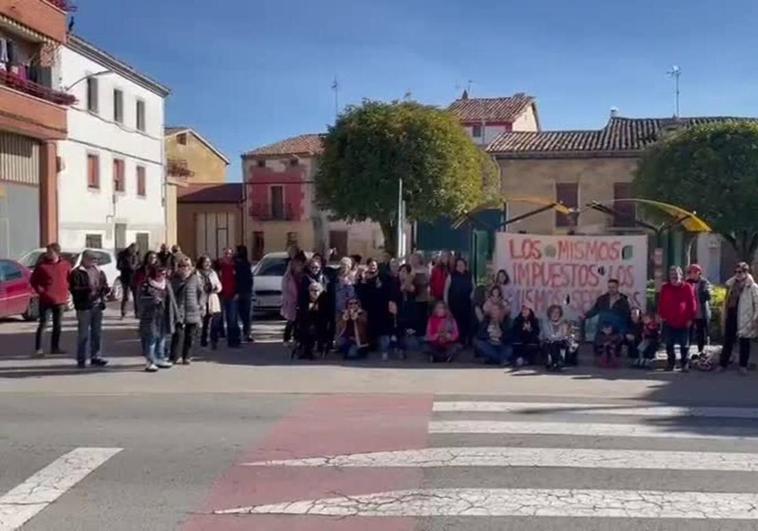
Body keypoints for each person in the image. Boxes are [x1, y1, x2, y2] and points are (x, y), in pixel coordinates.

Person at [69, 250, 109, 368]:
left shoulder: (99, 271)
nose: (94, 262)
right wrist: (88, 289)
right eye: (92, 259)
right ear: (85, 259)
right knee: (83, 334)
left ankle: (96, 357)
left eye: (96, 260)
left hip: (97, 305)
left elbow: (104, 284)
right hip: (84, 306)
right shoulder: (77, 272)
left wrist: (104, 290)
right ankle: (81, 359)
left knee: (97, 333)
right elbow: (74, 289)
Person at [30, 243, 71, 357]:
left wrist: (67, 292)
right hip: (46, 299)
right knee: (43, 324)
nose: (48, 254)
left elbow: (69, 279)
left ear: (57, 252)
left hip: (60, 300)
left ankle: (55, 347)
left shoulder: (65, 265)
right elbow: (33, 281)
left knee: (58, 325)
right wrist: (41, 291)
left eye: (50, 252)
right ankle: (38, 349)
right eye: (47, 252)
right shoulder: (42, 266)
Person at [718, 262, 758, 375]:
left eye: (740, 272)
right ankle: (722, 364)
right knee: (728, 341)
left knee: (744, 342)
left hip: (745, 317)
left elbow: (757, 304)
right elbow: (726, 300)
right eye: (735, 272)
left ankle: (743, 366)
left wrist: (755, 319)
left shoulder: (752, 287)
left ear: (746, 272)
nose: (737, 274)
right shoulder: (731, 284)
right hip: (731, 315)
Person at [138, 266, 178, 372]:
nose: (162, 276)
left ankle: (160, 359)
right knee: (151, 338)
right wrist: (152, 300)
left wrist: (176, 315)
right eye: (159, 274)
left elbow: (172, 299)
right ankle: (150, 362)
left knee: (162, 338)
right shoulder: (146, 284)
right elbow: (140, 300)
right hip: (150, 316)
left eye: (164, 274)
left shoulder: (167, 283)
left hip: (164, 314)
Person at [658, 266, 697, 372]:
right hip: (669, 321)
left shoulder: (687, 287)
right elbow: (661, 303)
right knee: (669, 344)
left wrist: (690, 318)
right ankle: (671, 363)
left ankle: (685, 364)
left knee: (684, 345)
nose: (674, 276)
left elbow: (692, 304)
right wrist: (662, 316)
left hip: (684, 321)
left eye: (676, 274)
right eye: (672, 274)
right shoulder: (665, 287)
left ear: (681, 275)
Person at [170, 256, 204, 365]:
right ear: (178, 267)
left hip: (192, 310)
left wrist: (200, 305)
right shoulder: (174, 280)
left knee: (190, 336)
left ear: (191, 267)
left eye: (187, 266)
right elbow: (171, 295)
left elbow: (201, 293)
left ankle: (187, 357)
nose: (184, 268)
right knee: (178, 334)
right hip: (178, 311)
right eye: (182, 266)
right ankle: (174, 356)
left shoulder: (195, 279)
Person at [356, 258, 388, 352]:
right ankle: (368, 345)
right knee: (368, 326)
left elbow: (384, 291)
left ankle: (376, 345)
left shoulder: (381, 277)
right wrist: (363, 282)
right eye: (370, 265)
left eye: (374, 265)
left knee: (377, 325)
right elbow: (360, 291)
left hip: (378, 306)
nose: (372, 267)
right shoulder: (364, 277)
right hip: (367, 305)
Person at [445, 257, 474, 345]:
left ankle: (465, 340)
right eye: (458, 265)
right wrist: (446, 304)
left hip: (466, 303)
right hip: (454, 303)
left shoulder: (469, 275)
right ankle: (456, 340)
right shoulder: (451, 275)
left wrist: (472, 298)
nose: (460, 267)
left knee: (466, 322)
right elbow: (446, 290)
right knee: (455, 323)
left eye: (462, 265)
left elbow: (473, 288)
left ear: (465, 266)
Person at [197, 255, 223, 350]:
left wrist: (217, 288)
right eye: (205, 262)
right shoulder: (197, 273)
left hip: (213, 297)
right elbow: (198, 286)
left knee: (215, 320)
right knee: (205, 321)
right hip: (203, 298)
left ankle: (214, 340)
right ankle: (204, 340)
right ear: (201, 263)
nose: (208, 263)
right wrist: (203, 289)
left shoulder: (213, 273)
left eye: (209, 262)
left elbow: (219, 284)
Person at [686, 264, 712, 357]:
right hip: (690, 312)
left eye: (693, 272)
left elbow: (708, 297)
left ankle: (701, 351)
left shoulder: (704, 282)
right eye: (689, 272)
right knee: (689, 332)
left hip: (701, 312)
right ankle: (686, 352)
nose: (691, 274)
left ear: (698, 273)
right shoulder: (688, 282)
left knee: (701, 332)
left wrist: (706, 291)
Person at [281, 252, 307, 346]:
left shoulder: (303, 275)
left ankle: (297, 338)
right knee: (291, 321)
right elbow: (285, 289)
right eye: (297, 265)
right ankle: (286, 338)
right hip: (291, 301)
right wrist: (289, 300)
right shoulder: (289, 276)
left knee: (299, 321)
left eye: (301, 265)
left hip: (300, 300)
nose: (299, 266)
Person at [218, 247, 240, 348]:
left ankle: (234, 341)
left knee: (232, 319)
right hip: (221, 295)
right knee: (219, 318)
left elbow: (239, 281)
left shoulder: (235, 266)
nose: (227, 255)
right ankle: (221, 336)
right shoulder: (219, 266)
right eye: (226, 254)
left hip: (232, 295)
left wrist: (237, 292)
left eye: (229, 254)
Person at [541, 304, 572, 371]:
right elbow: (548, 335)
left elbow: (564, 335)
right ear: (550, 313)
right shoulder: (546, 322)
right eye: (553, 312)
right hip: (547, 342)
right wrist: (558, 337)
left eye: (557, 312)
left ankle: (555, 363)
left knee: (558, 343)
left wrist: (560, 337)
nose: (555, 314)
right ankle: (556, 362)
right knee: (552, 344)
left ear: (560, 314)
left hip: (560, 343)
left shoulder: (563, 323)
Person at [234, 245, 254, 343]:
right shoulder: (238, 263)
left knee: (245, 314)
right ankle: (246, 333)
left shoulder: (242, 263)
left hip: (244, 291)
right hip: (242, 291)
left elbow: (248, 279)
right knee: (243, 314)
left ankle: (247, 333)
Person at [117, 243, 140, 318]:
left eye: (135, 251)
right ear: (130, 248)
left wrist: (136, 268)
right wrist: (128, 267)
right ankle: (123, 313)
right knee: (126, 296)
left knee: (136, 296)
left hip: (135, 278)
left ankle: (137, 313)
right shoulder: (122, 255)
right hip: (126, 278)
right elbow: (118, 266)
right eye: (133, 251)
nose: (134, 252)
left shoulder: (137, 255)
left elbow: (140, 264)